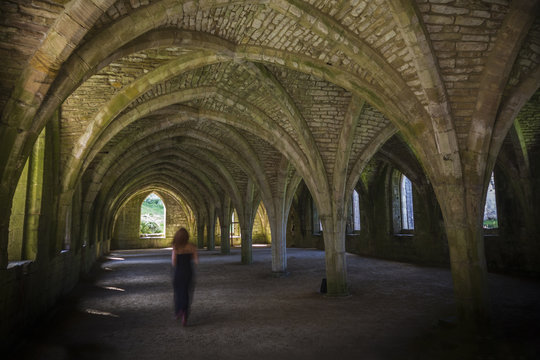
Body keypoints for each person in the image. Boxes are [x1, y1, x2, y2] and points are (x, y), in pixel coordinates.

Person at [171, 227, 198, 326]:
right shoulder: (192, 247)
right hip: (188, 272)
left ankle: (179, 310)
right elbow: (196, 261)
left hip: (179, 272)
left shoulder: (176, 247)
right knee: (187, 292)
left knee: (178, 292)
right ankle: (185, 314)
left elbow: (174, 263)